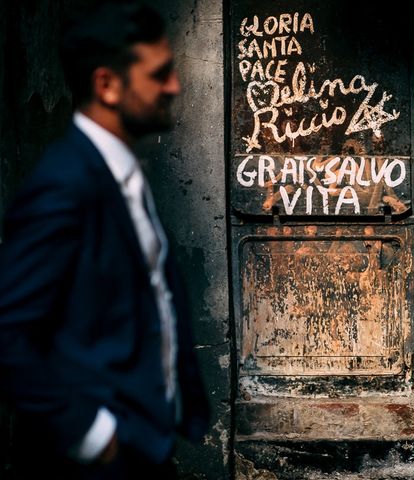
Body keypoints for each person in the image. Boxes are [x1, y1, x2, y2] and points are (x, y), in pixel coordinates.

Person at [0, 2, 209, 478]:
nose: (174, 87)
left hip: (145, 445)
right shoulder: (65, 184)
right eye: (159, 75)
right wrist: (93, 436)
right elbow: (8, 331)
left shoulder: (120, 174)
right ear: (107, 85)